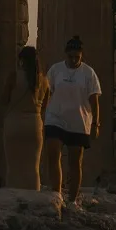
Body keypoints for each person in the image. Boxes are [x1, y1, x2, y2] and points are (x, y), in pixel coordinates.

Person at [43, 35, 102, 206]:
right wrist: (42, 113)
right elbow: (48, 93)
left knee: (75, 161)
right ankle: (57, 193)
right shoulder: (56, 70)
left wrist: (96, 123)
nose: (74, 60)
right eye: (71, 57)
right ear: (65, 54)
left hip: (79, 120)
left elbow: (94, 100)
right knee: (53, 153)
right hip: (55, 117)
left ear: (82, 55)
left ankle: (72, 200)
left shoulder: (88, 73)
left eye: (77, 57)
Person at [2, 45, 50, 190]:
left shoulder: (14, 76)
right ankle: (34, 197)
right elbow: (45, 107)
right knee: (33, 168)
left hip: (14, 123)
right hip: (34, 124)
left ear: (21, 61)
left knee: (13, 166)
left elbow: (4, 100)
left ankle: (12, 197)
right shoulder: (44, 81)